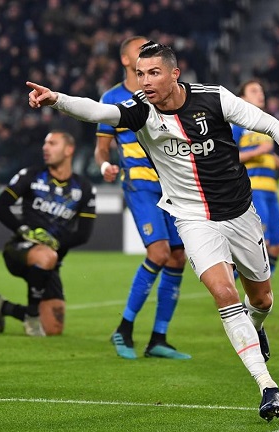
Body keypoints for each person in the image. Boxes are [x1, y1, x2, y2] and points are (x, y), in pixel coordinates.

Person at [26, 41, 279, 421]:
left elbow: (272, 125)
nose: (145, 82)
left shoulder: (215, 99)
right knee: (224, 292)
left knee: (261, 299)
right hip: (192, 218)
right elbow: (98, 110)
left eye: (154, 73)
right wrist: (56, 98)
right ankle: (267, 387)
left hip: (239, 213)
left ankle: (256, 326)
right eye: (140, 74)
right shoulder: (140, 111)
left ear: (175, 74)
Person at [95, 36, 190, 360]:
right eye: (140, 51)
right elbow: (101, 148)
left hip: (172, 185)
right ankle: (124, 328)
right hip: (139, 183)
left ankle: (159, 338)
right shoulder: (113, 98)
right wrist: (106, 165)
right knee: (160, 252)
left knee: (178, 258)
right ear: (126, 60)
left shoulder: (163, 94)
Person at [0, 130, 96, 337]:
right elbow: (0, 206)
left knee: (54, 329)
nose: (45, 148)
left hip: (51, 259)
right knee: (46, 256)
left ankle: (4, 307)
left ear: (69, 150)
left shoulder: (83, 188)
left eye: (53, 143)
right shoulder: (31, 175)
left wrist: (54, 242)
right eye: (45, 144)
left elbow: (83, 234)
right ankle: (31, 318)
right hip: (20, 250)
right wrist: (26, 232)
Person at [232, 79, 279, 277]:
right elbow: (228, 156)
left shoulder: (264, 124)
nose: (260, 94)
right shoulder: (237, 125)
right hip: (253, 189)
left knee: (276, 244)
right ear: (242, 98)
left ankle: (259, 290)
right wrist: (257, 151)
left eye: (261, 90)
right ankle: (234, 286)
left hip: (271, 190)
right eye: (253, 91)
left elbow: (268, 155)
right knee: (262, 242)